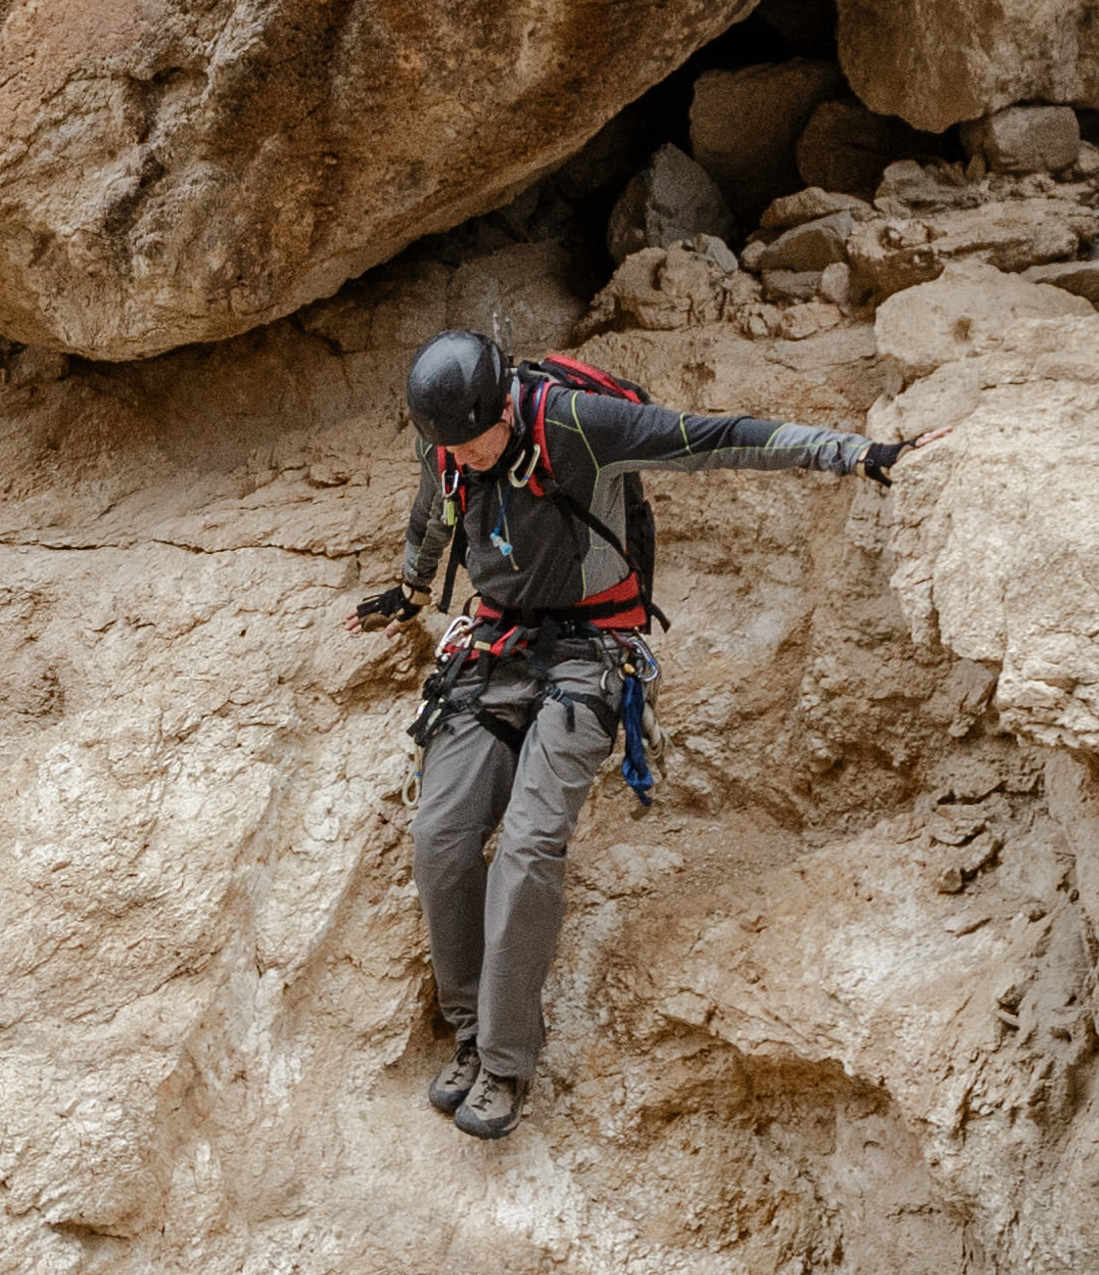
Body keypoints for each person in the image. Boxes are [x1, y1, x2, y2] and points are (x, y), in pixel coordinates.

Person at [347, 332, 910, 1141]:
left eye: (475, 445)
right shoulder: (449, 443)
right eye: (451, 448)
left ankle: (505, 1063)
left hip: (588, 653)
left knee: (528, 850)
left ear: (505, 408)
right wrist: (408, 585)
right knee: (439, 836)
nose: (464, 460)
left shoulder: (577, 424)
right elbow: (434, 507)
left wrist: (854, 453)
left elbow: (715, 438)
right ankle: (469, 1032)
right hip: (497, 645)